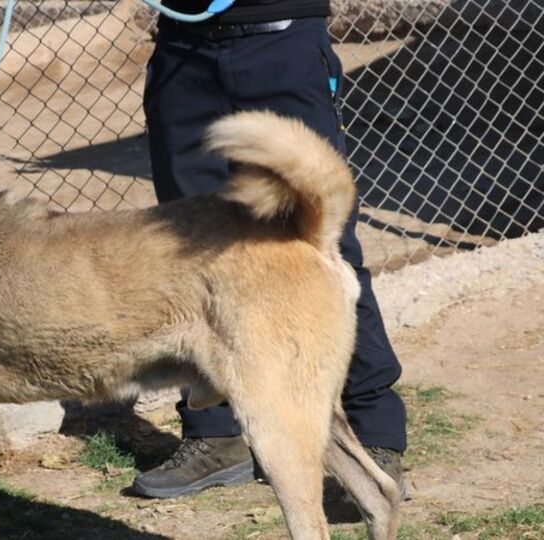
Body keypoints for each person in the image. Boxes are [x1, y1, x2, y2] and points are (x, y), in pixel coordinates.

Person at [130, 0, 408, 500]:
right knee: (190, 250)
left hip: (280, 39)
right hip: (182, 48)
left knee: (321, 242)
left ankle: (375, 435)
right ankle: (215, 436)